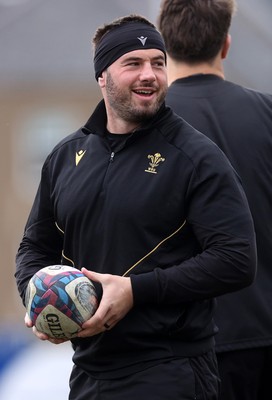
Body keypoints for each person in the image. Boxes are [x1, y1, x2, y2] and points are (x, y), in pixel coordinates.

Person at [15, 13, 257, 400]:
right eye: (133, 63)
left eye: (158, 63)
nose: (150, 75)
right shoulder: (65, 156)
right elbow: (34, 247)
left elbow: (236, 259)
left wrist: (135, 291)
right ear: (102, 76)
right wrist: (37, 298)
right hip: (88, 373)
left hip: (170, 371)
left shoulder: (196, 156)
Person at [157, 1, 272, 399]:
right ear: (225, 44)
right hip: (264, 338)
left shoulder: (139, 129)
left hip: (179, 350)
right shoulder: (268, 114)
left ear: (164, 45)